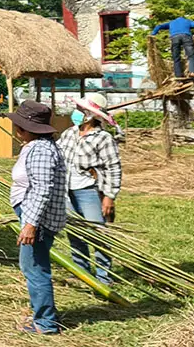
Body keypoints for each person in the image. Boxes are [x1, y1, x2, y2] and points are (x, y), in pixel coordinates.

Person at [7, 101, 68, 335]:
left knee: (34, 268)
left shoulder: (41, 149)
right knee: (32, 265)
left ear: (25, 128)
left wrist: (30, 224)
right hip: (33, 214)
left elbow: (42, 189)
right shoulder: (36, 146)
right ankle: (40, 314)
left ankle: (45, 323)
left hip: (38, 219)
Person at [56, 94, 121, 285]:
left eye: (82, 109)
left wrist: (109, 196)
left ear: (92, 115)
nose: (77, 112)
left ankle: (103, 276)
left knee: (97, 233)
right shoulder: (69, 133)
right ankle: (81, 272)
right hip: (66, 190)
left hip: (89, 190)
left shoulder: (103, 138)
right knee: (75, 232)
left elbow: (113, 167)